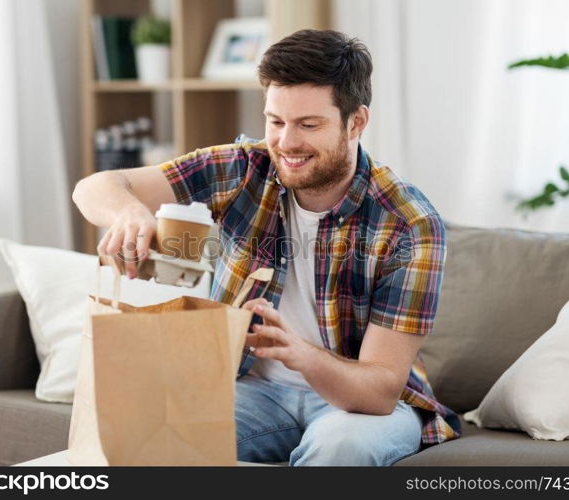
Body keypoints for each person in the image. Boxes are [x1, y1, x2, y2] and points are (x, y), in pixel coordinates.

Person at [72, 29, 462, 466]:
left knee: (341, 449)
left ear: (356, 122)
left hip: (357, 407)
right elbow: (97, 187)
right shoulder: (245, 169)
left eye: (309, 125)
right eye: (275, 122)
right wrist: (129, 213)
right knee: (151, 432)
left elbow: (379, 389)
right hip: (254, 390)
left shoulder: (409, 224)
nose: (286, 143)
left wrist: (301, 355)